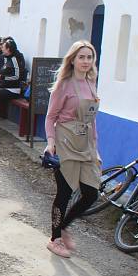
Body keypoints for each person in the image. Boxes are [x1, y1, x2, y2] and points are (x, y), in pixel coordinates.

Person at [44, 40, 101, 258]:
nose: (86, 61)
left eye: (89, 57)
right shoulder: (64, 85)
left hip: (85, 143)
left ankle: (65, 226)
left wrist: (96, 149)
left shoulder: (91, 82)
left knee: (91, 193)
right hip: (65, 141)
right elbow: (51, 117)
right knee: (65, 192)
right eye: (82, 57)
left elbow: (92, 120)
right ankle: (55, 239)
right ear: (73, 60)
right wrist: (51, 142)